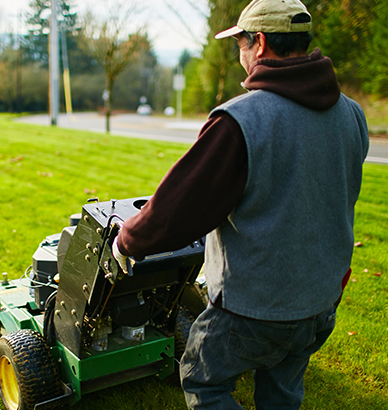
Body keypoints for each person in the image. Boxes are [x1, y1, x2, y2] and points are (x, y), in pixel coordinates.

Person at [111, 0, 370, 408]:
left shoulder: (240, 119)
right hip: (320, 302)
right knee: (282, 389)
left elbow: (180, 208)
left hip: (256, 308)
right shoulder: (352, 114)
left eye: (241, 45)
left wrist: (127, 241)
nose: (241, 56)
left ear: (260, 43)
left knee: (205, 382)